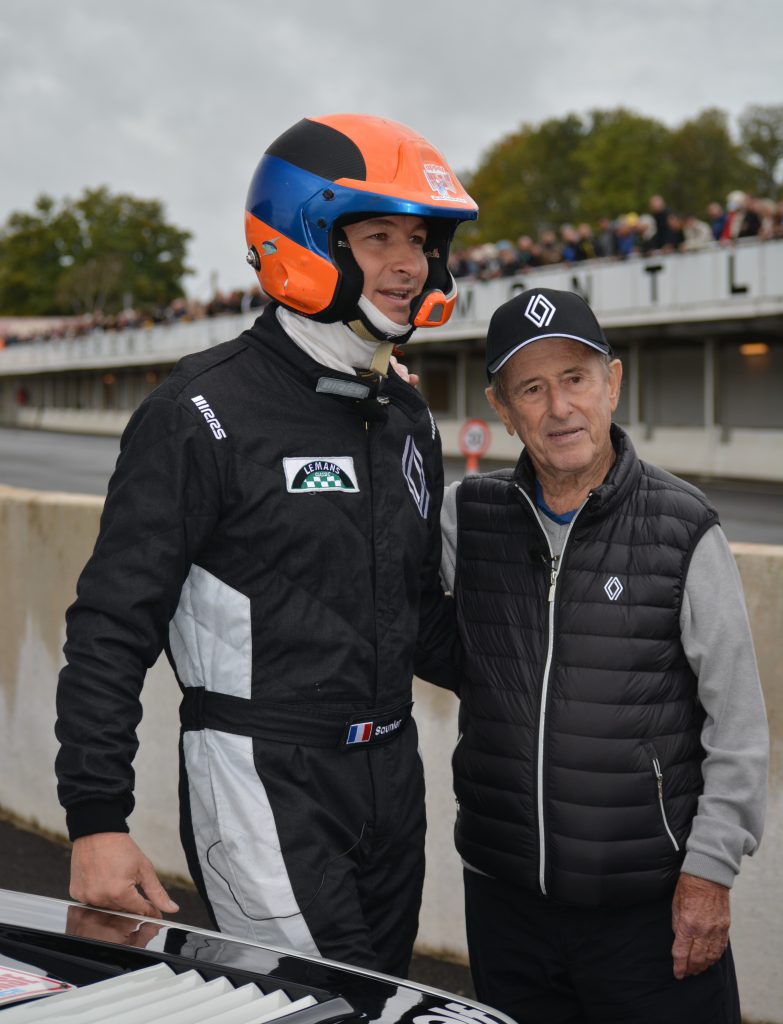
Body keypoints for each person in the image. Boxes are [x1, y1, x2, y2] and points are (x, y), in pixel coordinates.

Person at [55, 113, 477, 978]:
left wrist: (563, 667)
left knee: (381, 997)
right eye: (379, 238)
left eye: (421, 240)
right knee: (316, 1003)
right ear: (303, 238)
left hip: (392, 778)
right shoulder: (198, 413)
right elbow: (110, 627)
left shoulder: (404, 413)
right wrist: (97, 820)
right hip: (258, 776)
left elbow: (415, 618)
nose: (410, 265)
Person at [440, 287, 768, 1023]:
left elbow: (738, 729)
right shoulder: (467, 518)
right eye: (531, 388)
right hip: (504, 906)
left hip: (649, 914)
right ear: (501, 408)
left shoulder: (684, 527)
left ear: (612, 383)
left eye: (575, 379)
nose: (558, 409)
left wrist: (708, 875)